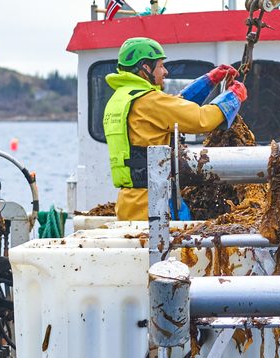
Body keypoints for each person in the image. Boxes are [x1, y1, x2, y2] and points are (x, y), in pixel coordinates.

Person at [104, 37, 243, 221]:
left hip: (130, 203)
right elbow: (202, 119)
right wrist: (234, 97)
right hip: (153, 206)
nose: (165, 71)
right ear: (145, 67)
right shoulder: (148, 101)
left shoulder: (121, 99)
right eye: (160, 65)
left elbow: (174, 108)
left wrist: (209, 80)